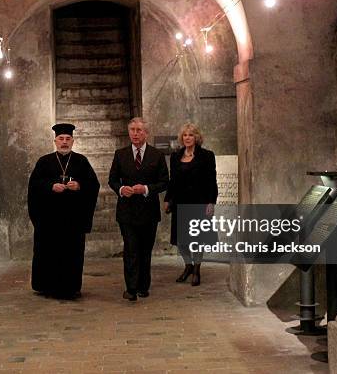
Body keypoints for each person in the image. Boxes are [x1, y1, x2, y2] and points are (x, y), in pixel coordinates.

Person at [27, 123, 100, 299]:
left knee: (72, 255)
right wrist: (50, 186)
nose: (64, 142)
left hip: (73, 221)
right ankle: (47, 287)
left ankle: (71, 288)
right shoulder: (44, 161)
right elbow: (34, 186)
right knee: (49, 254)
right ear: (55, 141)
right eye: (61, 139)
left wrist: (79, 185)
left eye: (68, 139)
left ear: (73, 141)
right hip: (49, 220)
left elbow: (94, 184)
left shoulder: (81, 161)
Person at [108, 117, 169, 301]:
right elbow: (112, 179)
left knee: (145, 250)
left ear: (146, 133)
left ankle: (144, 286)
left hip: (149, 212)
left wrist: (147, 189)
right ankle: (131, 288)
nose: (135, 133)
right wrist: (120, 189)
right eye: (132, 130)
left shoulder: (156, 155)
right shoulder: (120, 154)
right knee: (131, 249)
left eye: (139, 130)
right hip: (126, 211)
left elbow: (164, 182)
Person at [164, 123, 218, 286]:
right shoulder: (175, 156)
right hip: (180, 202)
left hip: (200, 202)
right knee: (181, 240)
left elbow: (211, 181)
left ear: (196, 138)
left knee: (198, 239)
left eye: (191, 135)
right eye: (185, 135)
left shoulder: (207, 156)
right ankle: (188, 265)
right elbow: (172, 181)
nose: (187, 138)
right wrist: (168, 199)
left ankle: (197, 270)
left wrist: (211, 202)